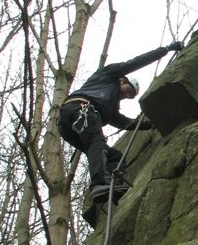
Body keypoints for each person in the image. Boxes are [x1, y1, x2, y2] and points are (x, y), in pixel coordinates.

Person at [58, 42, 183, 202]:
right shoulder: (108, 75)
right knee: (96, 142)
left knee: (115, 156)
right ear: (123, 81)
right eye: (128, 91)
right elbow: (136, 62)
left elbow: (124, 123)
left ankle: (111, 186)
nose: (126, 96)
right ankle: (100, 184)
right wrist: (167, 49)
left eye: (130, 97)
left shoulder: (110, 109)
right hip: (80, 108)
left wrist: (150, 123)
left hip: (68, 126)